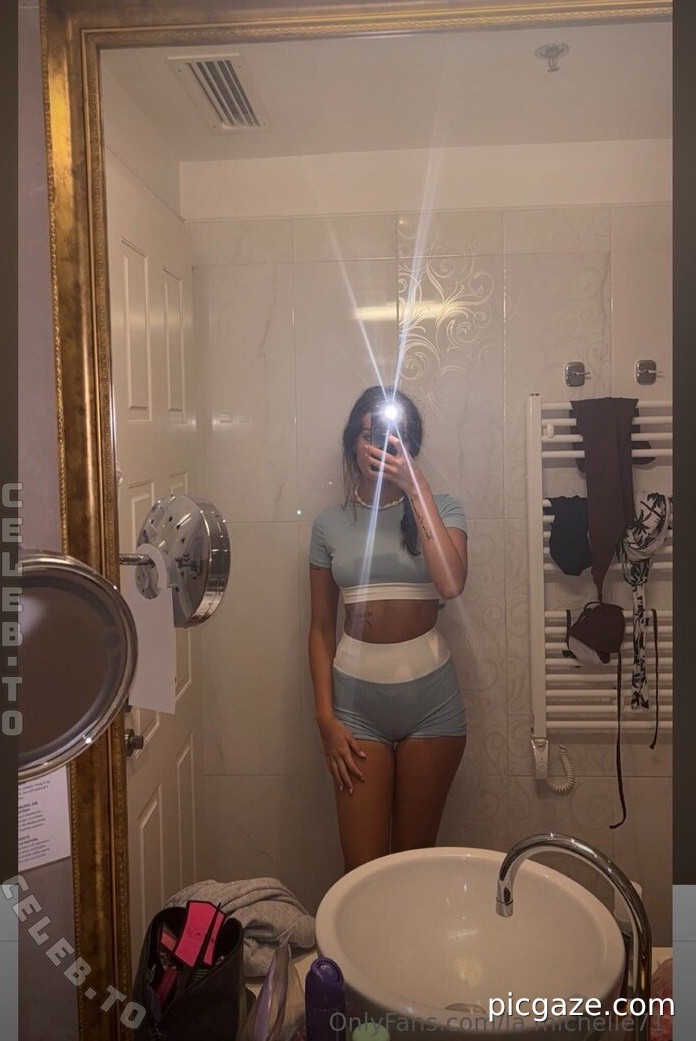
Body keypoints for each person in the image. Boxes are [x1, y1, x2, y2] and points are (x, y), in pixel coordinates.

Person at [308, 385, 468, 873]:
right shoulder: (329, 524)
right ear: (352, 445)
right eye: (367, 435)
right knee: (362, 873)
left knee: (414, 868)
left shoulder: (443, 508)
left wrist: (415, 488)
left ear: (408, 444)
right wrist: (324, 719)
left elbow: (451, 583)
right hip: (355, 709)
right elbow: (320, 629)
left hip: (432, 706)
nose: (377, 446)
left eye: (390, 435)